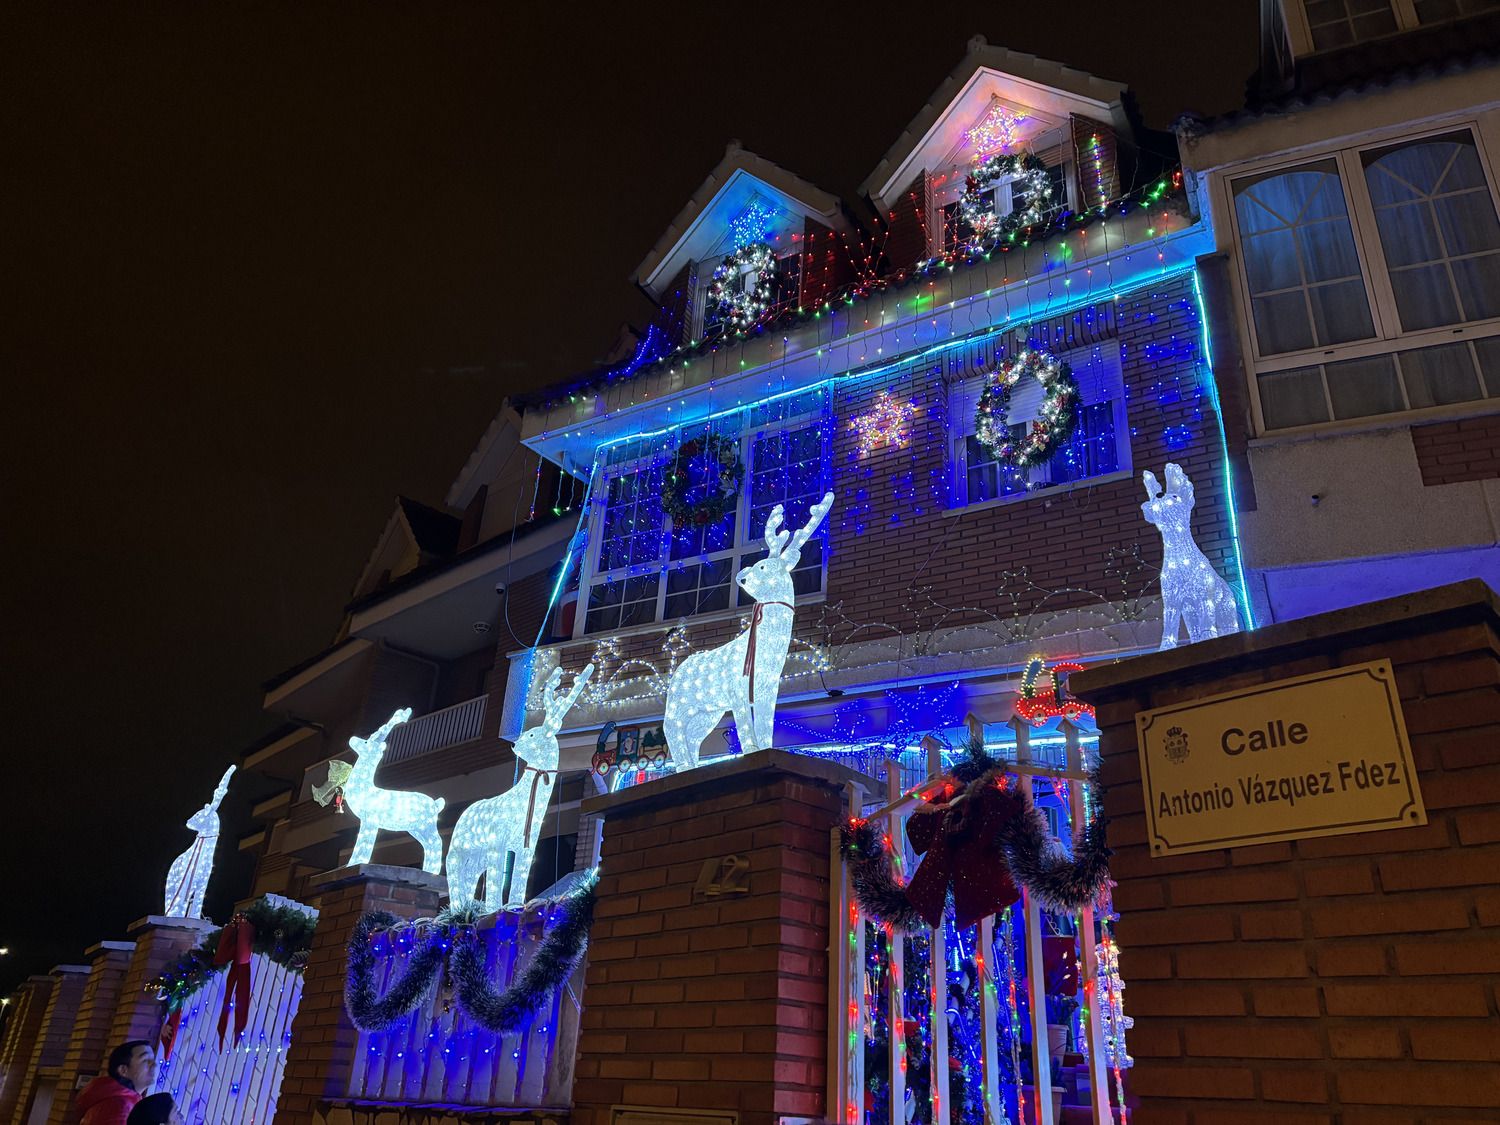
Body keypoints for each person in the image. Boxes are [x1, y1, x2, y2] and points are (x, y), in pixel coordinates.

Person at [75, 1041, 156, 1125]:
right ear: (123, 1070)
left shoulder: (121, 1101)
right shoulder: (118, 1108)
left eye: (153, 1059)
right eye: (145, 1060)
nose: (154, 1064)